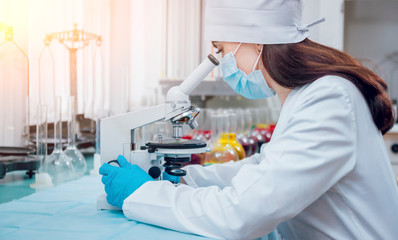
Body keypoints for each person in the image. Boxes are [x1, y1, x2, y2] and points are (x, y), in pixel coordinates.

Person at [99, 0, 398, 239]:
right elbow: (264, 170)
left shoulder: (328, 98)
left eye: (222, 50)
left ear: (258, 42)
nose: (221, 64)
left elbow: (243, 215)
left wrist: (145, 194)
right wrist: (182, 179)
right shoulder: (309, 94)